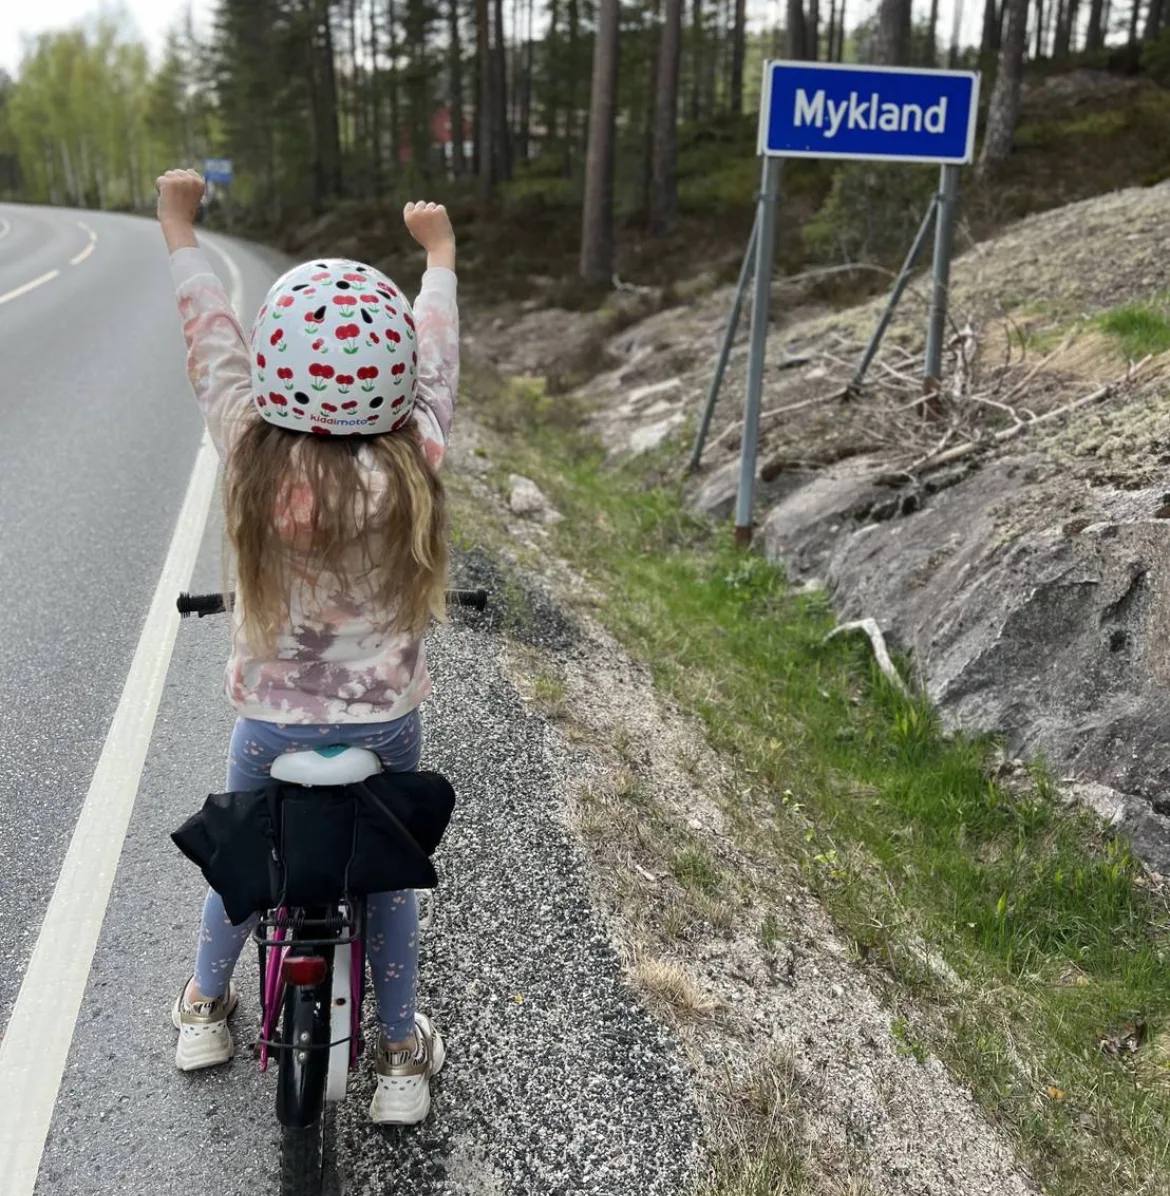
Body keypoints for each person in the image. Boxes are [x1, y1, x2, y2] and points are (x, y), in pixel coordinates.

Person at [155, 168, 458, 1126]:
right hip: (387, 720)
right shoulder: (414, 456)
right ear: (395, 381)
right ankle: (401, 1052)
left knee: (245, 859)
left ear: (277, 362)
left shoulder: (249, 449)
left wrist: (178, 229)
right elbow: (439, 356)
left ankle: (204, 1009)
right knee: (388, 870)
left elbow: (211, 342)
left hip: (266, 722)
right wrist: (440, 258)